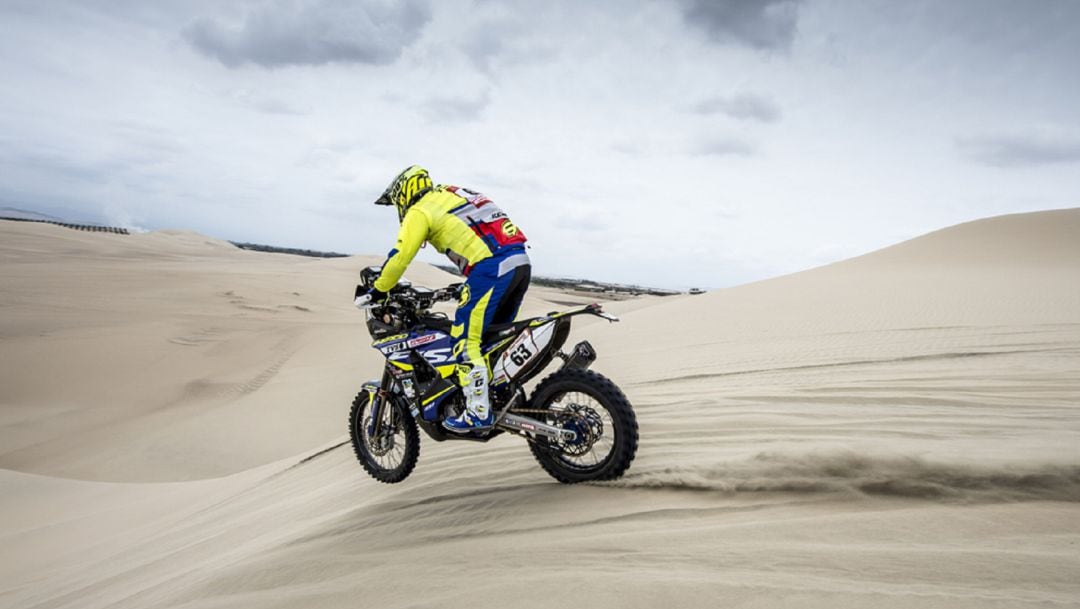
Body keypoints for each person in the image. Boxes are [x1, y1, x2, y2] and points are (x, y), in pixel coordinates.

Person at [364, 165, 531, 433]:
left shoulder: (421, 209)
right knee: (490, 340)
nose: (399, 207)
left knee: (465, 340)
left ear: (405, 192)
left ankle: (478, 412)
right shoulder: (452, 194)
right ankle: (497, 396)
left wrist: (378, 290)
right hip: (519, 262)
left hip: (491, 267)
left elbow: (400, 257)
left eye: (397, 201)